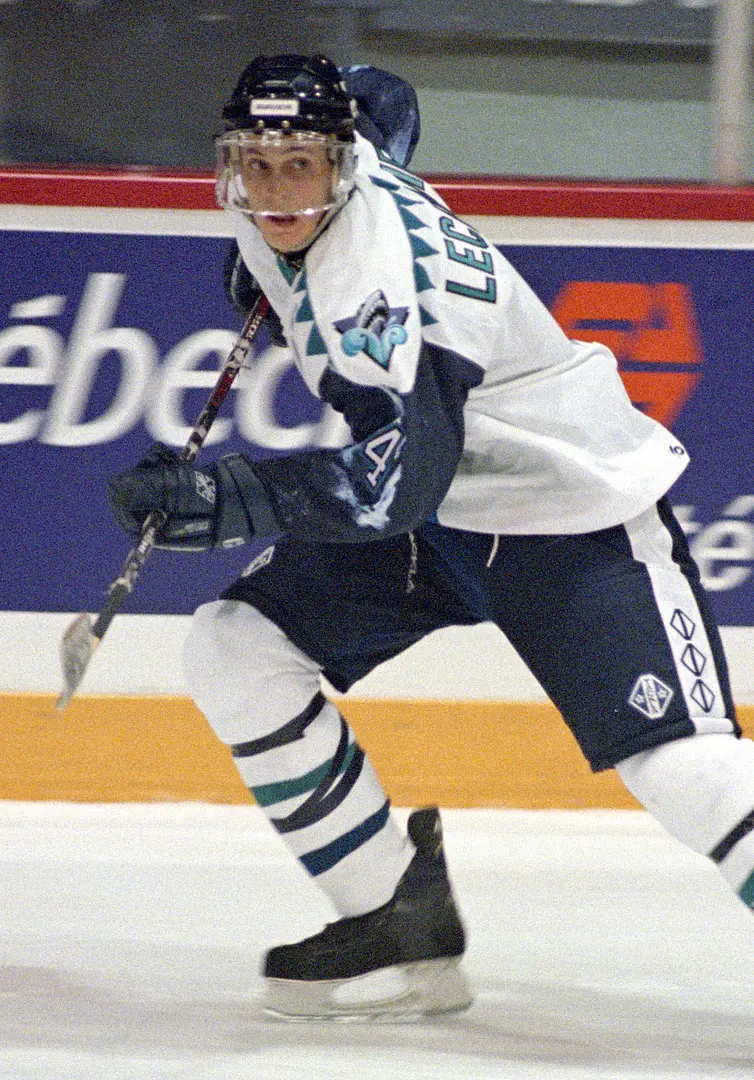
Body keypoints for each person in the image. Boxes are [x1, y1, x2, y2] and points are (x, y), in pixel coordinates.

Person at [109, 54, 754, 1021]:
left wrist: (233, 499)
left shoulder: (375, 286)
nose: (279, 191)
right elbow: (386, 96)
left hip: (565, 514)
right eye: (257, 164)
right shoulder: (331, 165)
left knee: (683, 769)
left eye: (303, 167)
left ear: (342, 168)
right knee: (236, 647)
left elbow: (394, 487)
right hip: (443, 517)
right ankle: (393, 915)